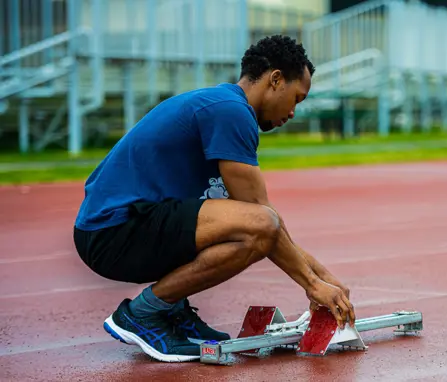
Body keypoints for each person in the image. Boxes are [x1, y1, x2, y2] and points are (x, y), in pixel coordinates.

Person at [72, 35, 355, 363]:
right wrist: (313, 284)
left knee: (249, 234)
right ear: (275, 79)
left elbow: (266, 228)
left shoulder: (224, 106)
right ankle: (143, 314)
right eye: (296, 98)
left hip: (128, 225)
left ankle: (170, 310)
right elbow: (263, 220)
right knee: (257, 227)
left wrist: (320, 278)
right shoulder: (231, 112)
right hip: (112, 230)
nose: (292, 112)